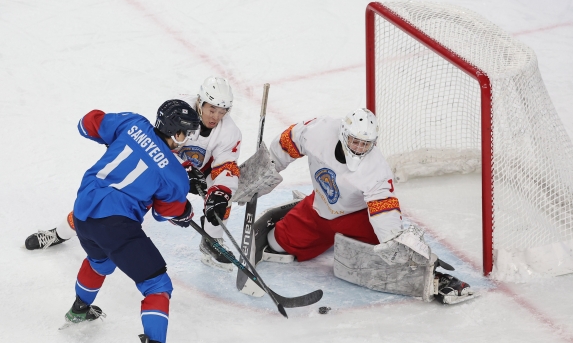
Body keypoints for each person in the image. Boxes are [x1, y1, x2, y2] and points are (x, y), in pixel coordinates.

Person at [24, 76, 242, 273]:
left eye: (222, 112)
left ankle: (212, 240)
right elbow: (157, 142)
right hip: (164, 172)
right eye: (212, 109)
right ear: (200, 102)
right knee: (110, 205)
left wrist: (218, 193)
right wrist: (182, 168)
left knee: (222, 199)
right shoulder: (180, 107)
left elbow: (226, 167)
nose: (216, 116)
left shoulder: (229, 132)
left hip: (200, 175)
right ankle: (59, 233)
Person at [257, 108, 474, 304]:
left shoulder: (376, 169)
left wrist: (393, 241)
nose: (360, 148)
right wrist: (266, 169)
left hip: (355, 218)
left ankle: (436, 276)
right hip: (318, 209)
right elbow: (289, 141)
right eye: (355, 141)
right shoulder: (318, 131)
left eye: (365, 143)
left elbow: (384, 210)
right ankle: (300, 216)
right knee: (275, 243)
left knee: (389, 254)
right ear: (344, 133)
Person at [63, 99, 198, 343]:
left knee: (100, 260)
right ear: (175, 131)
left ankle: (79, 310)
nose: (187, 140)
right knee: (157, 285)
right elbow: (166, 213)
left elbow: (87, 123)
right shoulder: (175, 175)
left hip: (84, 211)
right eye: (185, 133)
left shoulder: (132, 123)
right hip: (116, 223)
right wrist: (185, 210)